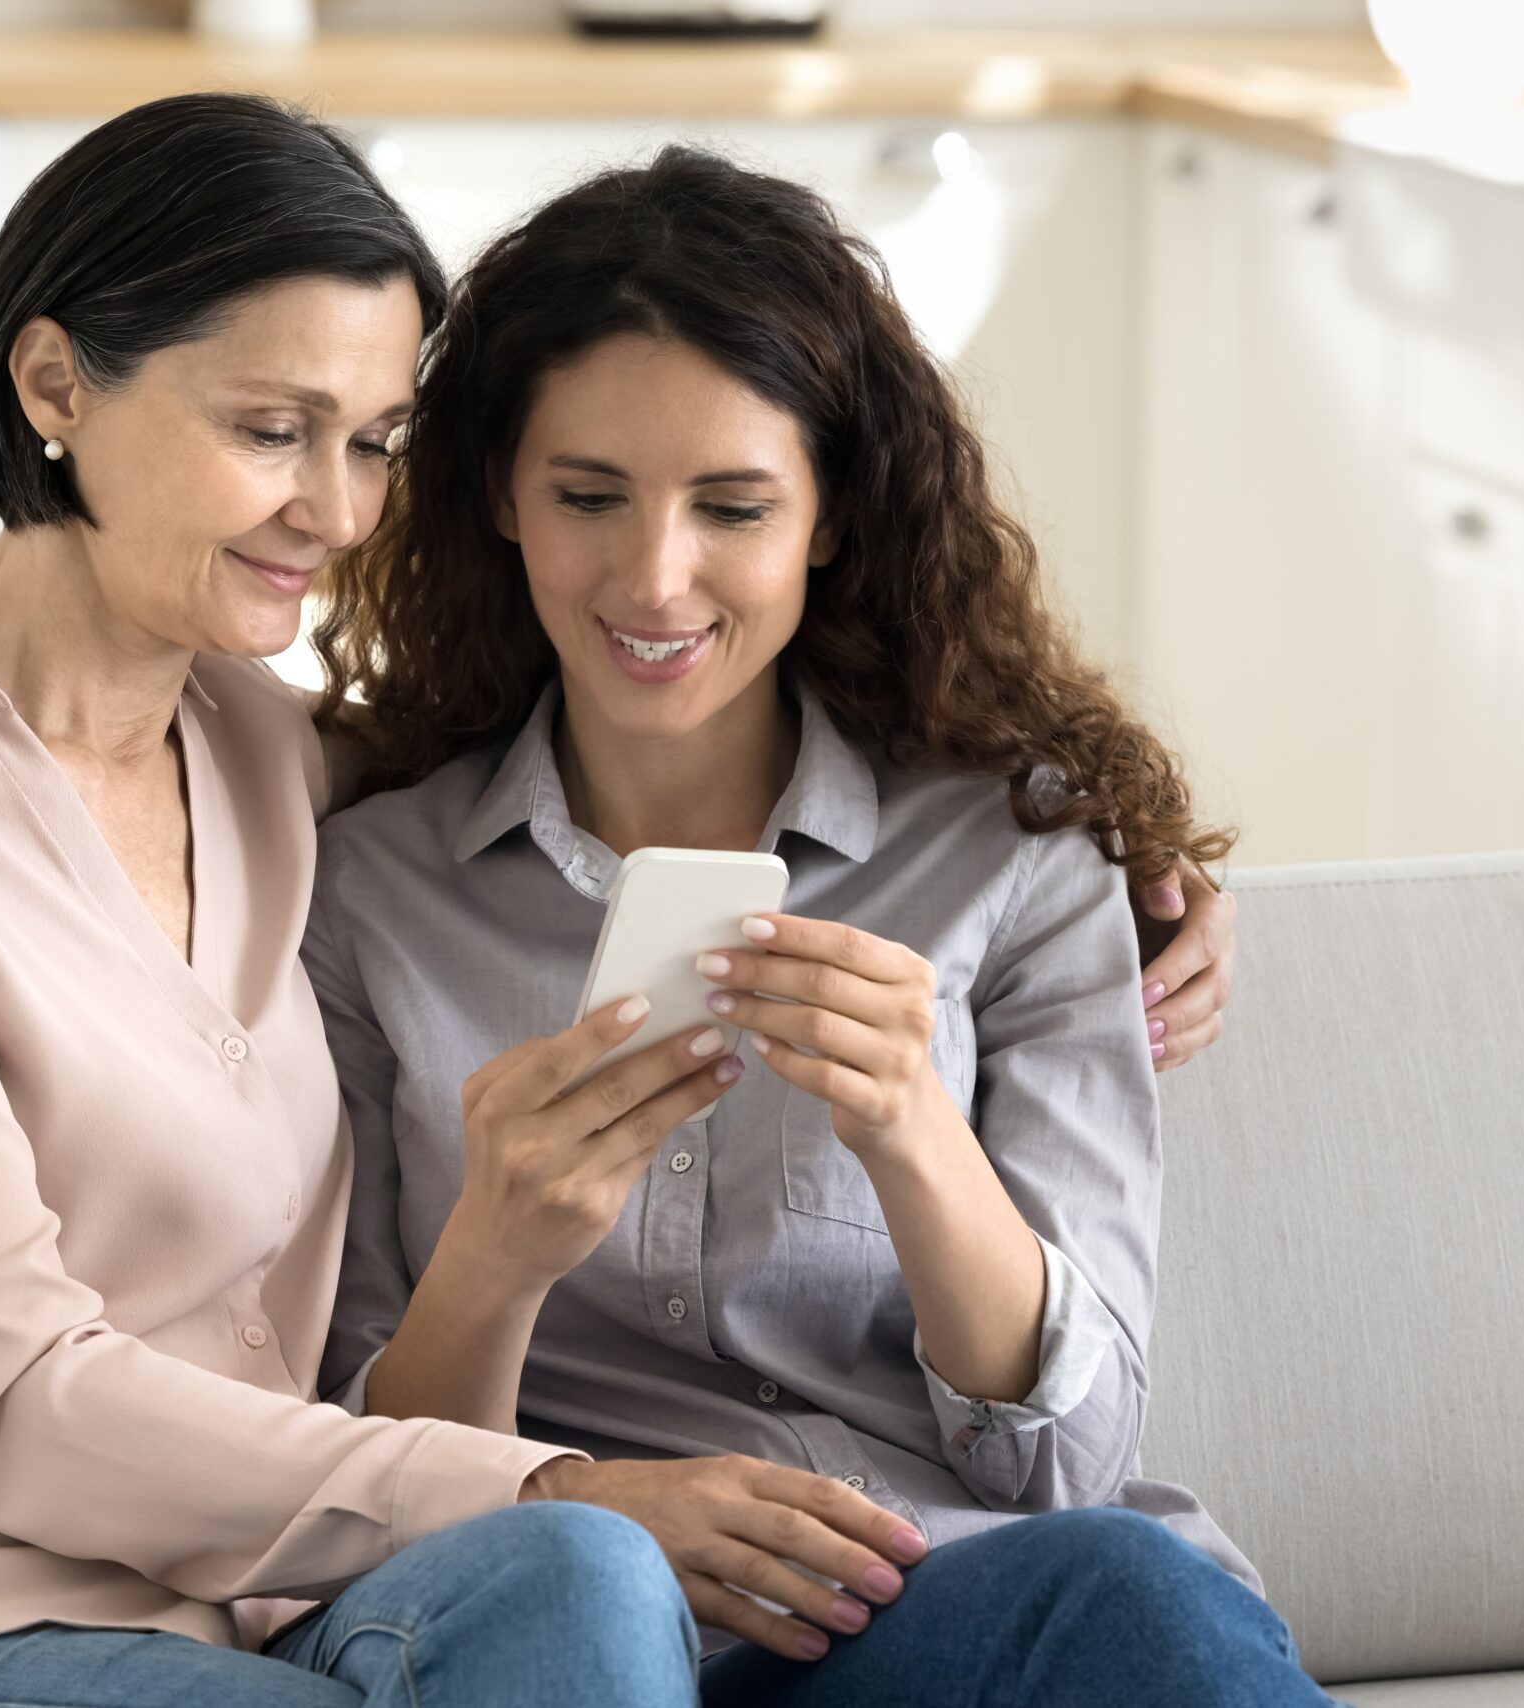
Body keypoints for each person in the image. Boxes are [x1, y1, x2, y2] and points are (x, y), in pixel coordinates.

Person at [0, 95, 720, 1708]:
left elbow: (614, 752)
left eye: (371, 445)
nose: (341, 515)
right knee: (568, 1535)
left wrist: (1097, 840)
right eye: (273, 431)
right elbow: (16, 1398)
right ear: (55, 383)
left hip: (256, 1633)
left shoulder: (263, 747)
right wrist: (540, 1480)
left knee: (580, 1586)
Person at [302, 145, 1323, 1707]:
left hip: (928, 1605)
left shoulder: (1017, 858)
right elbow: (340, 1471)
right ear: (501, 493)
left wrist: (916, 1127)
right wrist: (496, 1261)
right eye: (590, 496)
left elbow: (1071, 1457)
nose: (656, 576)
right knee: (582, 1598)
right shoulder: (365, 889)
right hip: (560, 1617)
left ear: (832, 515)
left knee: (1136, 1588)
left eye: (734, 505)